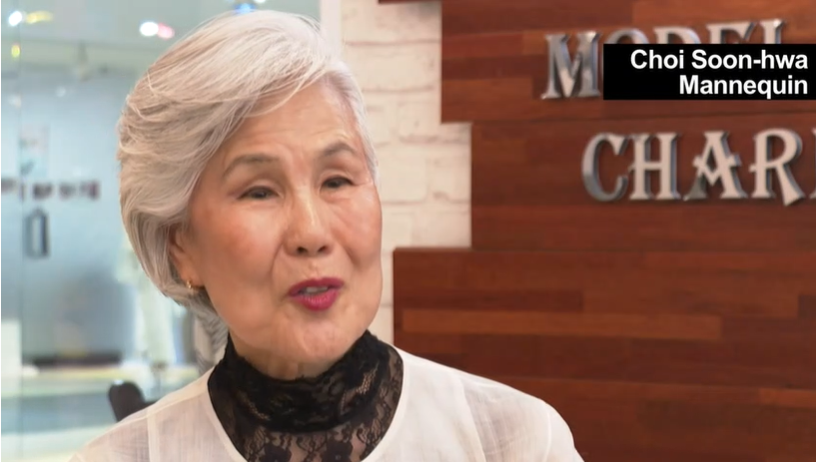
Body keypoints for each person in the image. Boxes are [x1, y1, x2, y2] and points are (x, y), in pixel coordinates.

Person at [72, 9, 583, 462]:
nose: (311, 233)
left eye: (336, 181)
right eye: (259, 191)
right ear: (180, 246)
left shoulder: (513, 442)